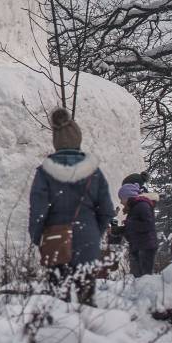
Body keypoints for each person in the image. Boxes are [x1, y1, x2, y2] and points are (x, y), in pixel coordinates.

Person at [28, 108, 114, 307]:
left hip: (55, 241)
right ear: (78, 139)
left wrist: (37, 237)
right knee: (86, 300)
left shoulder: (44, 173)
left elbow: (38, 211)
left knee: (59, 302)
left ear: (55, 141)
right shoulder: (94, 173)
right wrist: (95, 232)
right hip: (88, 241)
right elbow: (107, 210)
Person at [119, 182, 158, 277]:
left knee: (144, 277)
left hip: (145, 247)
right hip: (139, 246)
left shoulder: (142, 205)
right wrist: (118, 230)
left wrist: (129, 223)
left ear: (128, 197)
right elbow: (133, 228)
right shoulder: (135, 207)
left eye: (121, 199)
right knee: (138, 277)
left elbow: (148, 224)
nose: (121, 202)